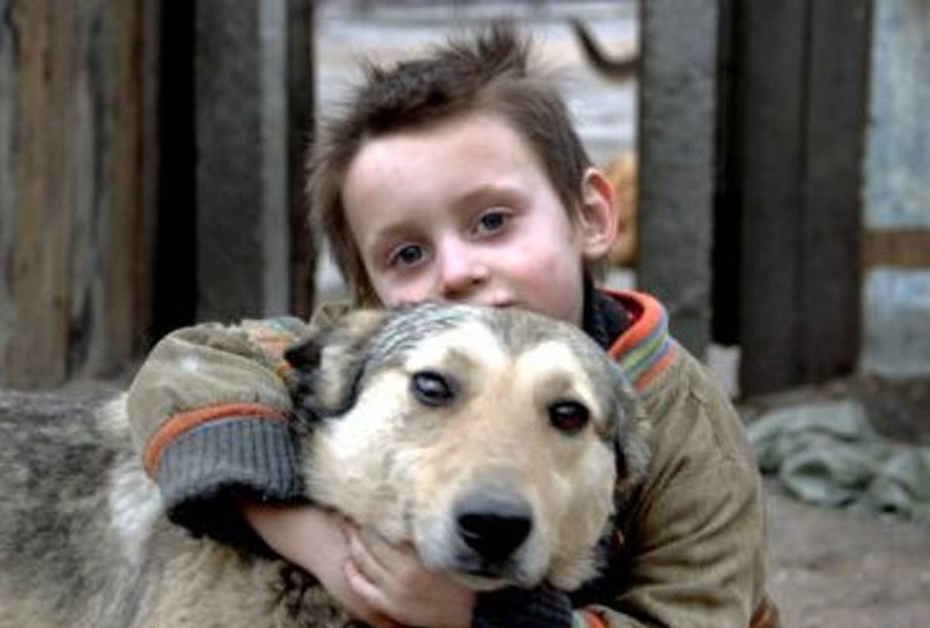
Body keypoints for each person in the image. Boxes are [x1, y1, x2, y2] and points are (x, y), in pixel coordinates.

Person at [127, 25, 778, 628]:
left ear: (591, 217)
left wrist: (478, 617)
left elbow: (693, 615)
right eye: (408, 255)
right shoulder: (374, 345)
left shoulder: (685, 420)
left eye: (493, 221)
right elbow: (186, 367)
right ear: (369, 293)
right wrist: (323, 547)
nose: (458, 271)